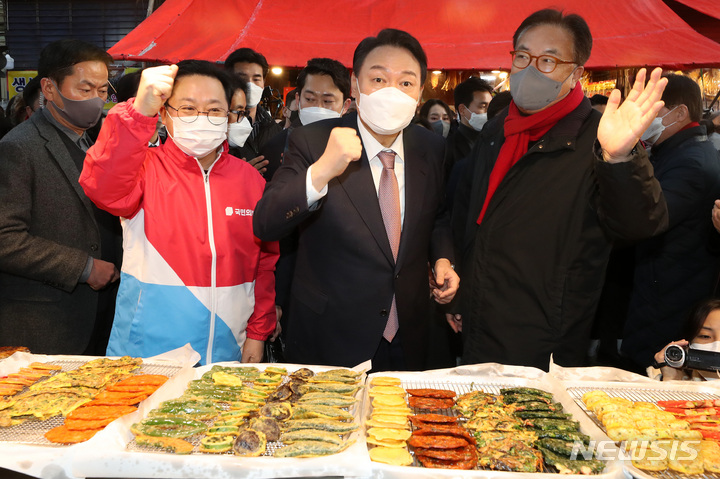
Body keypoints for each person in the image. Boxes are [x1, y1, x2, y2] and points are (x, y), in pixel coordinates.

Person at [451, 9, 669, 370]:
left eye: (548, 60)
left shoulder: (598, 138)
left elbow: (642, 224)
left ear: (576, 73)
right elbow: (471, 220)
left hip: (546, 339)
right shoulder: (496, 133)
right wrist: (461, 298)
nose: (530, 68)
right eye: (522, 56)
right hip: (478, 324)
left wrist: (619, 158)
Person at [253, 29, 459, 371]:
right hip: (332, 334)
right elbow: (266, 221)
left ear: (420, 92)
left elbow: (436, 216)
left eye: (406, 83)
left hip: (410, 332)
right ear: (354, 85)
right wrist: (321, 172)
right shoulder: (312, 140)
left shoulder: (430, 147)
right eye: (378, 78)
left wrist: (443, 259)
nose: (392, 92)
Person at [79, 60, 279, 365]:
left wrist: (257, 332)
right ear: (164, 113)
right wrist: (137, 114)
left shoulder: (250, 180)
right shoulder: (143, 168)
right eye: (187, 108)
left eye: (214, 110)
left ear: (229, 116)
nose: (202, 118)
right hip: (149, 351)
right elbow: (103, 187)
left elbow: (263, 265)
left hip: (229, 347)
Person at [0, 39, 121, 355]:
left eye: (103, 90)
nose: (96, 100)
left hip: (102, 318)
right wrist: (83, 267)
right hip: (47, 321)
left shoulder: (96, 143)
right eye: (85, 89)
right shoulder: (19, 148)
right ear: (49, 89)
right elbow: (5, 238)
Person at [621, 74, 720, 371]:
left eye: (652, 110)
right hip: (663, 283)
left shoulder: (690, 161)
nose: (643, 118)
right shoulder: (678, 151)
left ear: (679, 114)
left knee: (654, 377)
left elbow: (650, 219)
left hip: (669, 292)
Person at [260, 58, 352, 182]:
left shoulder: (358, 150)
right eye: (309, 99)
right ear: (298, 100)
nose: (318, 107)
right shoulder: (275, 148)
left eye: (327, 101)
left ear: (345, 105)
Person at [224, 48, 283, 178]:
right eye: (242, 78)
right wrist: (241, 175)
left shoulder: (275, 130)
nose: (249, 85)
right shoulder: (216, 126)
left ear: (263, 83)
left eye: (256, 79)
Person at [651, 299, 720, 381]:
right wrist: (672, 379)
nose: (717, 345)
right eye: (705, 336)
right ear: (688, 343)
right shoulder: (651, 385)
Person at [445, 77, 494, 179]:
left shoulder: (495, 142)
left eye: (490, 107)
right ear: (462, 110)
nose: (488, 112)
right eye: (483, 106)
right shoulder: (447, 148)